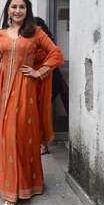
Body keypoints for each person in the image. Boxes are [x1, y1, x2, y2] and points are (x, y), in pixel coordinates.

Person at [0, 0, 64, 205]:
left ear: (27, 10)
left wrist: (40, 72)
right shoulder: (0, 35)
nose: (17, 10)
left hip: (25, 92)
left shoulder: (35, 32)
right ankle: (10, 185)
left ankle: (25, 185)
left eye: (22, 7)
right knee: (5, 137)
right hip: (1, 92)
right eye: (13, 6)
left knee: (19, 136)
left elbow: (56, 54)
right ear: (8, 10)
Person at [34, 17, 69, 155]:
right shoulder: (37, 40)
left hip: (50, 80)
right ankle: (42, 143)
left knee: (41, 113)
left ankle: (43, 144)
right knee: (41, 113)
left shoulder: (45, 42)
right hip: (43, 80)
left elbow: (54, 59)